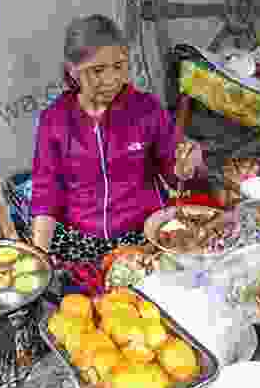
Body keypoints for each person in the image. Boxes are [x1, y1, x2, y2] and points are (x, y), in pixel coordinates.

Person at [29, 14, 201, 262]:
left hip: (142, 236)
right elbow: (46, 195)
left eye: (119, 66)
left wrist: (186, 166)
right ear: (72, 70)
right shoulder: (55, 120)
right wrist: (40, 258)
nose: (111, 80)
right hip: (80, 239)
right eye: (97, 70)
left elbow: (175, 174)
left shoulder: (146, 109)